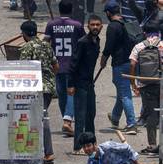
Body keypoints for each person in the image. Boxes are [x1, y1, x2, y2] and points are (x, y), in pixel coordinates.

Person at [44, 0, 86, 137]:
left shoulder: (51, 25)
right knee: (70, 93)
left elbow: (45, 44)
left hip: (56, 64)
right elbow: (84, 43)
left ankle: (66, 121)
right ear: (72, 10)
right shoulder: (77, 25)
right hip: (73, 65)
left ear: (59, 9)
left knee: (62, 94)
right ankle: (67, 121)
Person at [19, 21, 59, 164]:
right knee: (39, 118)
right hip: (48, 88)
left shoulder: (27, 48)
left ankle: (48, 152)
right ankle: (36, 149)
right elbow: (56, 66)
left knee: (42, 118)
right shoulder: (47, 46)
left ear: (24, 33)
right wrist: (49, 79)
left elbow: (22, 69)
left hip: (35, 89)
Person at [68, 15, 103, 154]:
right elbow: (73, 64)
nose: (95, 27)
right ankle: (78, 147)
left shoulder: (97, 41)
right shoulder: (82, 42)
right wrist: (70, 84)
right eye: (92, 24)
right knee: (80, 116)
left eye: (98, 24)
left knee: (91, 114)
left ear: (101, 26)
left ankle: (91, 145)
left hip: (89, 84)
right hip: (80, 84)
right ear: (88, 26)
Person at [102, 2, 137, 135]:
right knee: (122, 93)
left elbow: (108, 46)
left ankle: (131, 123)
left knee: (125, 94)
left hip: (120, 64)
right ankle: (115, 118)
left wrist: (103, 60)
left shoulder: (113, 26)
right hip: (131, 62)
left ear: (108, 13)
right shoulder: (126, 23)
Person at [129, 21, 161, 155]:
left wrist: (133, 84)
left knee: (151, 115)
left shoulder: (138, 46)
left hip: (145, 85)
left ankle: (152, 146)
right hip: (161, 83)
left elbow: (132, 65)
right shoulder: (162, 45)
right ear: (159, 32)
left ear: (144, 33)